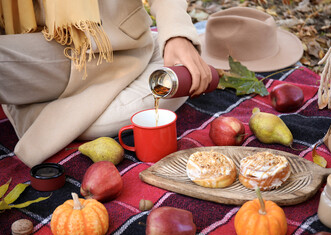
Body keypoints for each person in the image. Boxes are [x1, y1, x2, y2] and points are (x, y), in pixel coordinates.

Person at [0, 0, 212, 167]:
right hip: (26, 49)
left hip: (114, 47)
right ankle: (54, 121)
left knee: (174, 85)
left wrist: (177, 34)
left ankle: (43, 116)